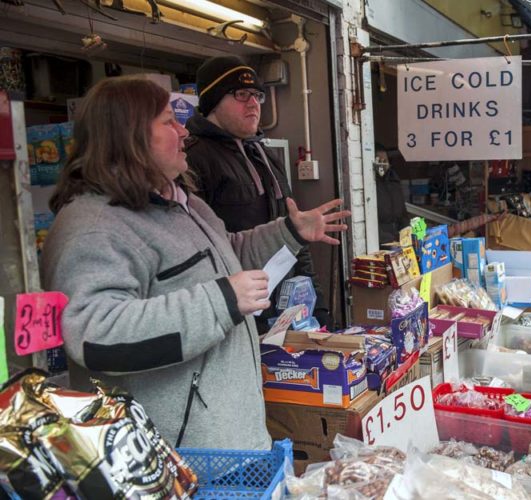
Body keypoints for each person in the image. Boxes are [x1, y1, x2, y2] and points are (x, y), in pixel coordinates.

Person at [41, 76, 350, 450]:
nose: (184, 132)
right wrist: (221, 301)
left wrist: (290, 231)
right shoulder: (93, 227)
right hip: (177, 463)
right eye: (168, 121)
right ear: (129, 135)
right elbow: (94, 333)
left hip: (233, 443)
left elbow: (227, 255)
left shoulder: (186, 204)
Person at [185, 56, 330, 330]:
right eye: (241, 94)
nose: (253, 103)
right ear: (213, 100)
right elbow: (198, 256)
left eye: (257, 95)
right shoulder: (193, 159)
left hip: (289, 311)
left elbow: (294, 233)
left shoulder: (264, 155)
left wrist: (318, 308)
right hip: (237, 316)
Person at [374, 144, 410, 244]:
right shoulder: (370, 186)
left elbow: (403, 213)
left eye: (385, 161)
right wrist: (390, 239)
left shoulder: (394, 181)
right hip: (382, 242)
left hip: (399, 241)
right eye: (379, 161)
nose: (382, 165)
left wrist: (406, 234)